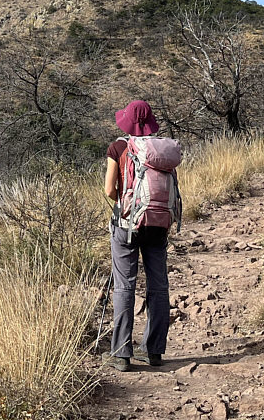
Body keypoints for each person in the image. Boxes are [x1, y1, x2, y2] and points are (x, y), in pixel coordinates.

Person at [102, 100, 171, 372]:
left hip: (127, 224)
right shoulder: (162, 150)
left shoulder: (117, 148)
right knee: (158, 286)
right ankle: (153, 351)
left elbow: (109, 190)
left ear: (127, 121)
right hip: (157, 223)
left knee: (124, 285)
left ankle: (121, 353)